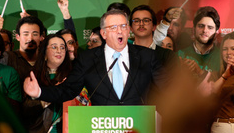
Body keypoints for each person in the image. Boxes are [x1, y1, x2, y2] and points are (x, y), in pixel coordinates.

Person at [22, 9, 168, 106]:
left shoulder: (147, 56)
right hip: (100, 129)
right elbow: (67, 90)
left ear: (129, 30)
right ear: (104, 34)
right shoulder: (87, 59)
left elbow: (168, 88)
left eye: (123, 26)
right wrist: (40, 92)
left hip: (139, 129)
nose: (120, 31)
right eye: (114, 27)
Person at [25, 33, 74, 133]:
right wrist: (49, 96)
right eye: (54, 47)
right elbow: (25, 109)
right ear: (45, 53)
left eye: (62, 47)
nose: (59, 50)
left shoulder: (73, 77)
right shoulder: (34, 76)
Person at [176, 5, 221, 73]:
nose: (205, 30)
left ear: (216, 31)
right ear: (194, 29)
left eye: (210, 27)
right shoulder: (180, 54)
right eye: (201, 26)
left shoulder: (223, 57)